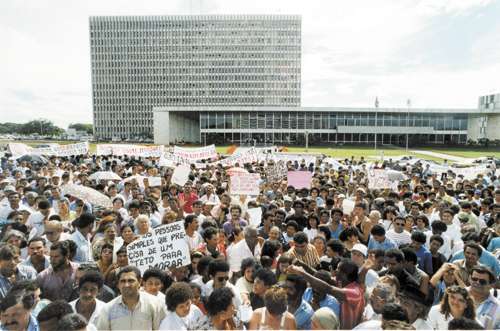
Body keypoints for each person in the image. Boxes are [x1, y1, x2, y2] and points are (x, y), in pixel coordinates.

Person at [287, 259, 365, 329]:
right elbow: (322, 277)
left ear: (344, 274)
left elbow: (328, 288)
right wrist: (303, 265)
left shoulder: (354, 292)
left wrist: (302, 273)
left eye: (338, 269)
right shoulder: (342, 282)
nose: (335, 270)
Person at [95, 266, 165, 330]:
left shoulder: (155, 304)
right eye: (123, 281)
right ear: (118, 285)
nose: (126, 285)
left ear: (139, 282)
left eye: (131, 281)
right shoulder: (108, 309)